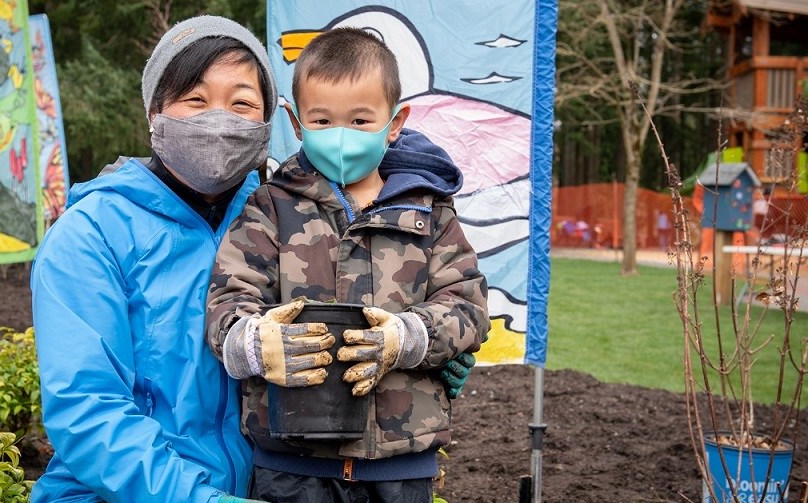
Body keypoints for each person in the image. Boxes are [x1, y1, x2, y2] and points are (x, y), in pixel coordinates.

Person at [205, 28, 489, 502]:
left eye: (360, 120)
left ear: (394, 122)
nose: (341, 137)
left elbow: (468, 304)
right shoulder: (271, 207)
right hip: (291, 465)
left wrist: (408, 338)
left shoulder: (429, 211)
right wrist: (254, 343)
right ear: (296, 125)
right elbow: (228, 300)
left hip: (399, 467)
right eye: (323, 120)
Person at [30, 16, 276, 502]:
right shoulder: (92, 234)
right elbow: (88, 409)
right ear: (155, 112)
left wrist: (419, 364)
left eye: (242, 102)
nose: (219, 120)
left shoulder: (281, 222)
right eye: (196, 99)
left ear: (268, 121)